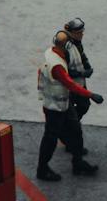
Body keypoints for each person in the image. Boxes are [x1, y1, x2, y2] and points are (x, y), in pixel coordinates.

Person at [36, 29, 103, 182]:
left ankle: (78, 163)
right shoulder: (57, 64)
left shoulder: (51, 53)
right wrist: (91, 95)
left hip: (63, 103)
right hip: (55, 107)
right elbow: (70, 84)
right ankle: (42, 169)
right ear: (65, 46)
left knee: (76, 130)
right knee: (50, 139)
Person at [62, 16, 94, 131]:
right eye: (79, 32)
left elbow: (82, 56)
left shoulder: (78, 43)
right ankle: (70, 126)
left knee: (84, 105)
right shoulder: (65, 47)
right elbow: (63, 70)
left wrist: (88, 67)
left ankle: (70, 124)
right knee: (70, 113)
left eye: (82, 32)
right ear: (71, 33)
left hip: (80, 84)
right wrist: (82, 73)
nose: (82, 34)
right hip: (69, 86)